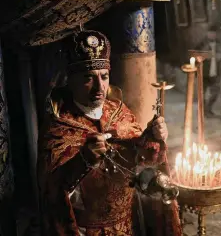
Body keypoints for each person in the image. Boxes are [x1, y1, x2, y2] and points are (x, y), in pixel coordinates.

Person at [37, 30, 182, 236]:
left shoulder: (119, 111)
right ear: (71, 80)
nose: (100, 87)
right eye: (89, 77)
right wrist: (83, 160)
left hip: (128, 224)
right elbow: (51, 191)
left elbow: (143, 161)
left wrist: (154, 138)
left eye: (104, 76)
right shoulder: (58, 128)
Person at [195, 25, 221, 117]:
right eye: (210, 33)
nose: (212, 35)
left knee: (216, 91)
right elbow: (195, 55)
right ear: (207, 34)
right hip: (204, 73)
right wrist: (204, 56)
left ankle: (209, 108)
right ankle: (203, 111)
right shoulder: (201, 44)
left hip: (215, 73)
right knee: (202, 93)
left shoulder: (219, 44)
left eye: (214, 34)